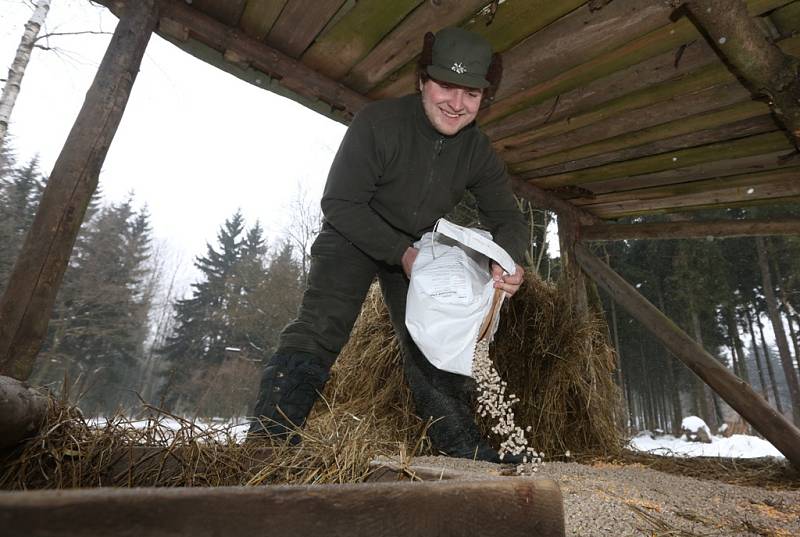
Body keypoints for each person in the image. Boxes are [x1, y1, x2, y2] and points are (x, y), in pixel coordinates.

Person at [248, 27, 527, 463]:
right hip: (355, 232)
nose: (456, 104)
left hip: (419, 245)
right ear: (422, 81)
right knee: (324, 322)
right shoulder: (378, 123)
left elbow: (507, 217)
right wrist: (402, 255)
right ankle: (270, 437)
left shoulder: (476, 150)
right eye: (446, 87)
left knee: (434, 334)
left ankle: (459, 446)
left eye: (470, 94)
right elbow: (339, 202)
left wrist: (507, 260)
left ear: (482, 98)